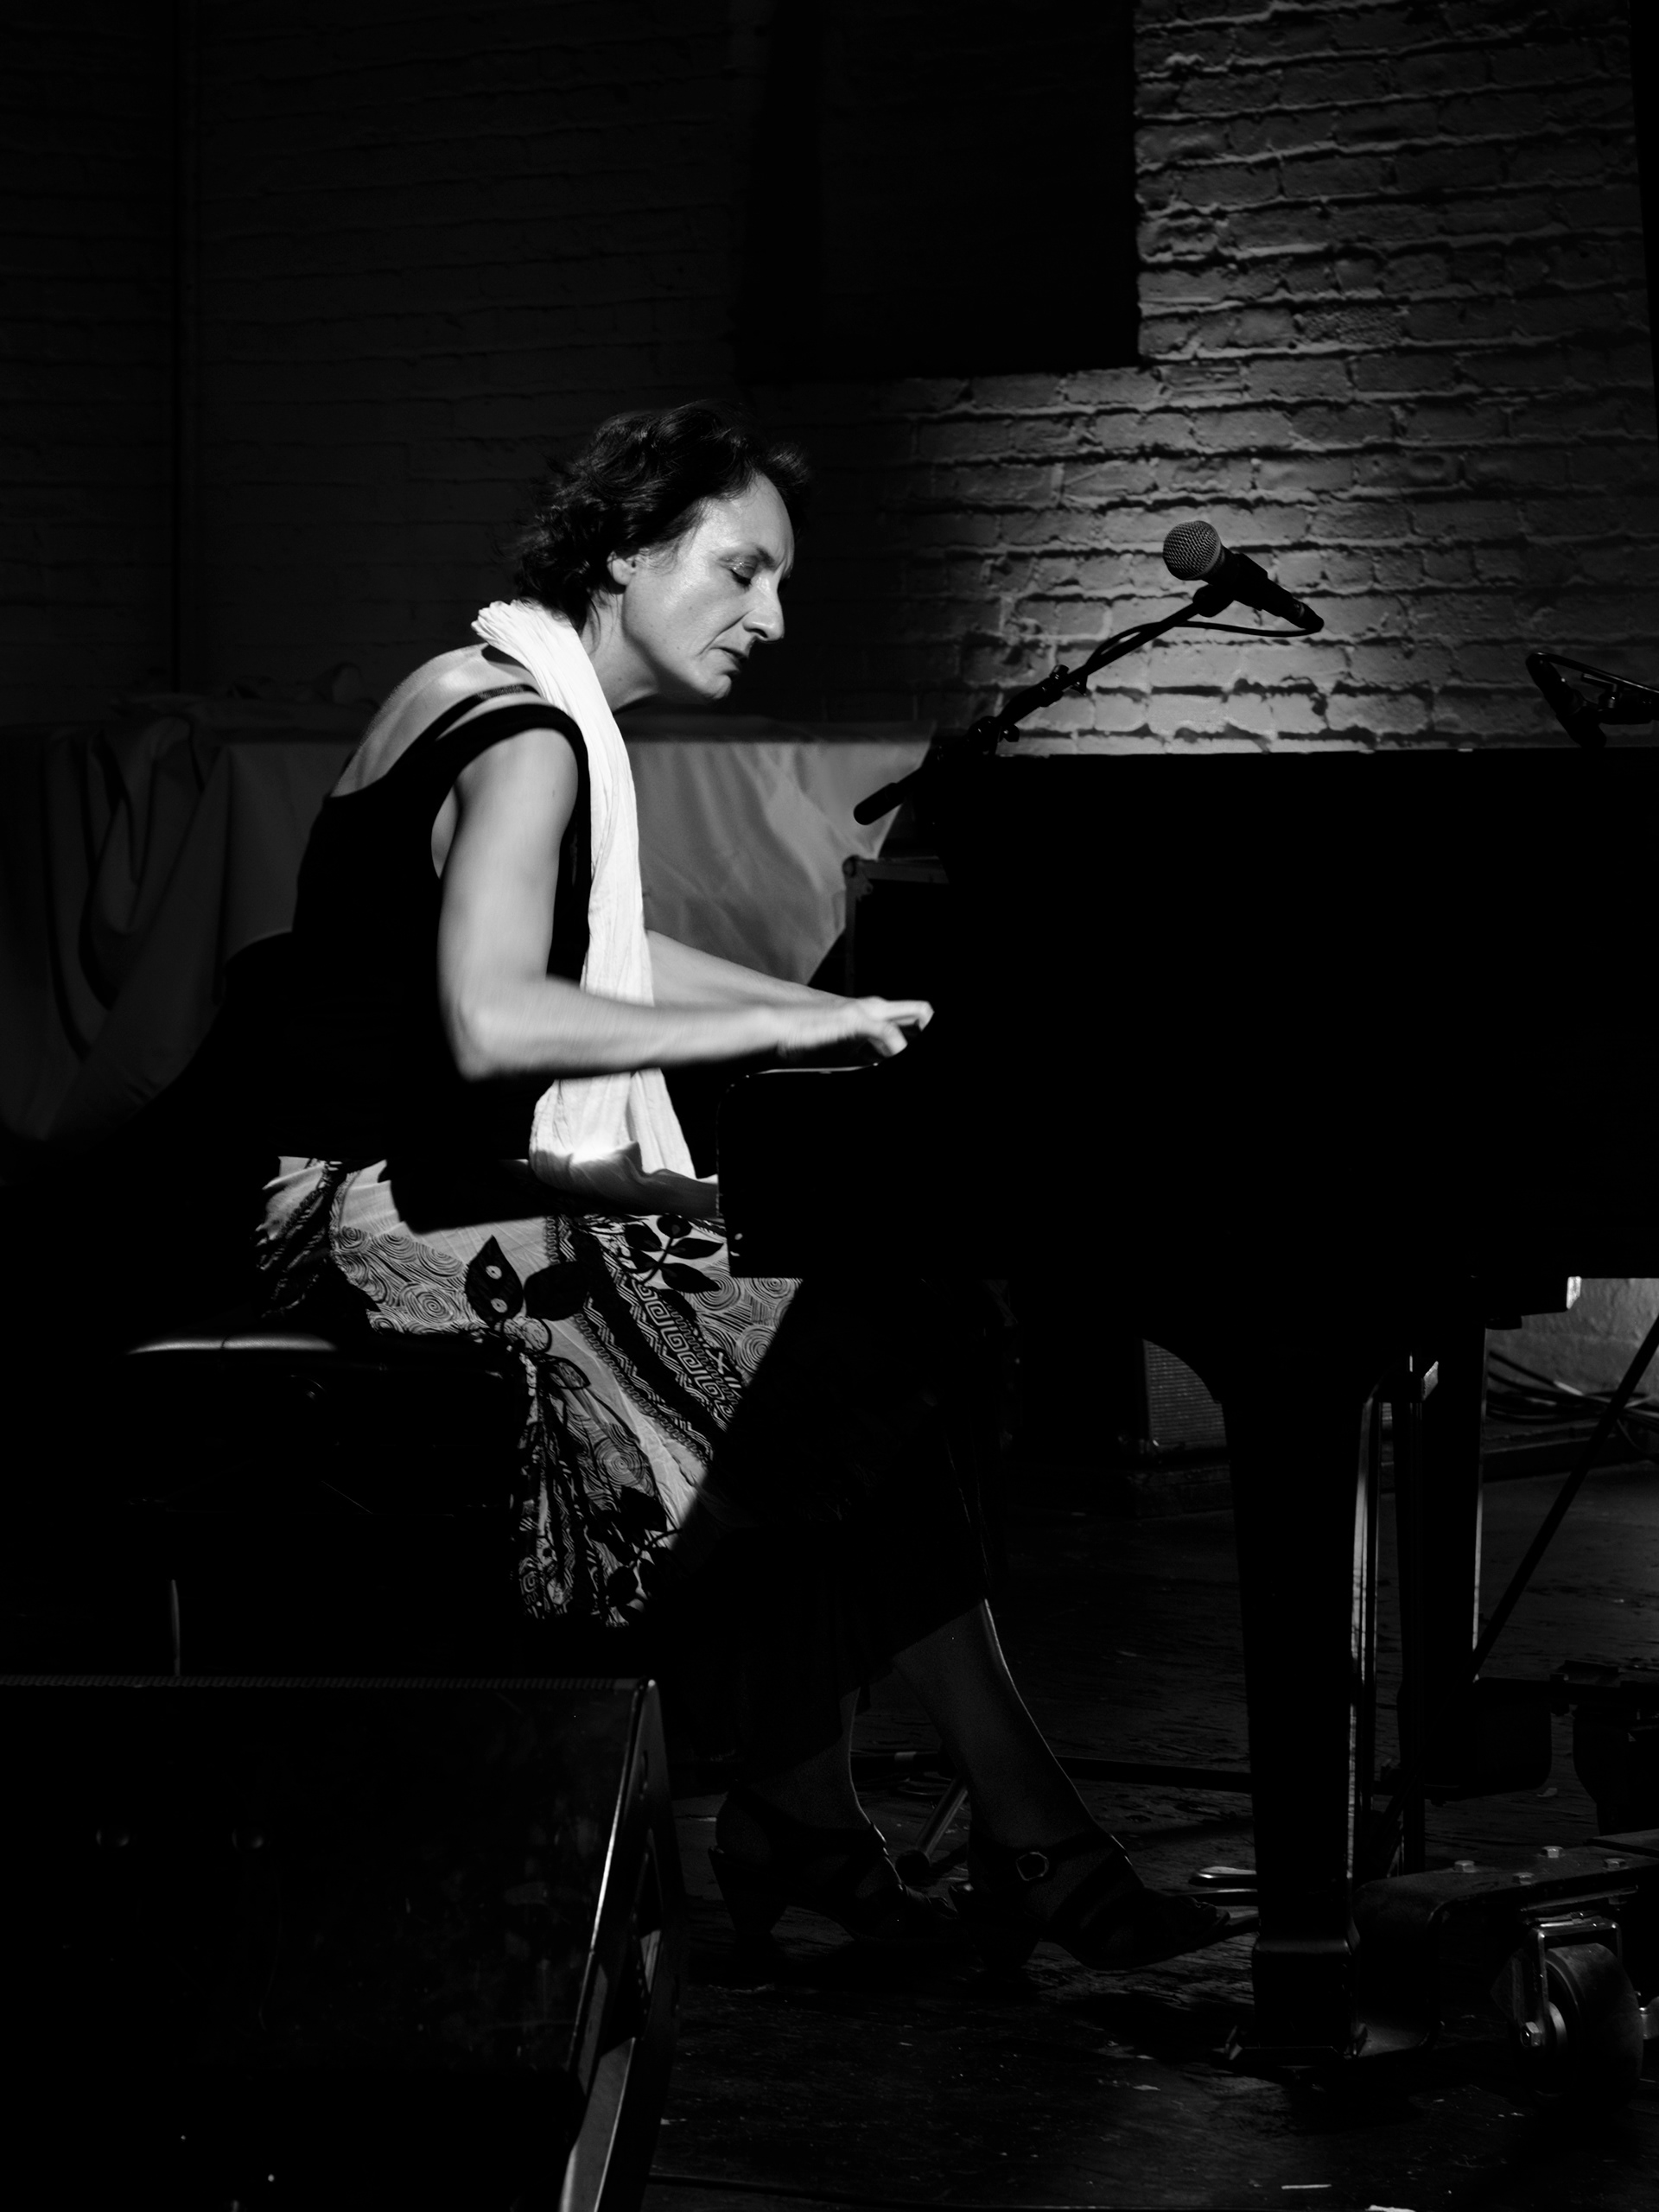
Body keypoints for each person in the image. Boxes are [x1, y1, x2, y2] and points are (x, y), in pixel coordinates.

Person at [259, 402, 1235, 1969]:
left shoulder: (490, 688)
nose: (770, 617)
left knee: (887, 1314)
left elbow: (606, 949)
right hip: (371, 1221)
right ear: (624, 552)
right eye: (740, 570)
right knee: (859, 1343)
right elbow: (497, 1013)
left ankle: (841, 1812)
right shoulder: (526, 737)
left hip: (434, 1186)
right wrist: (775, 1024)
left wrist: (819, 1008)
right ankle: (942, 1818)